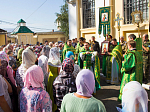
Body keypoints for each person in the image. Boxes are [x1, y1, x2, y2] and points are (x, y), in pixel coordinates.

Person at [47, 47, 61, 112]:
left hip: (50, 77)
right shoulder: (58, 61)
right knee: (55, 93)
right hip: (56, 77)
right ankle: (55, 107)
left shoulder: (49, 60)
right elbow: (59, 72)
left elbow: (48, 71)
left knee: (50, 92)